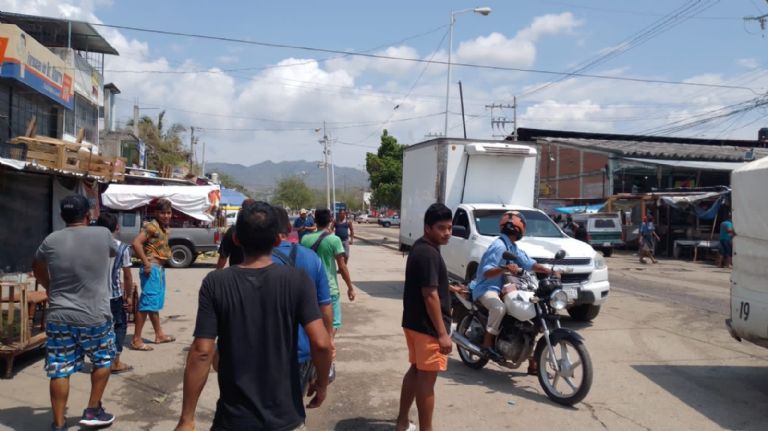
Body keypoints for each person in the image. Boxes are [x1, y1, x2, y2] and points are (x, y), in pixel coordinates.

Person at [174, 202, 332, 431]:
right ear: (278, 240)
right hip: (286, 420)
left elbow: (201, 352)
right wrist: (322, 383)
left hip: (232, 420)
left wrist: (186, 419)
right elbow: (321, 344)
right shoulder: (298, 280)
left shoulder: (216, 283)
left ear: (236, 239)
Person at [32, 195, 118, 430]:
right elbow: (113, 253)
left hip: (59, 316)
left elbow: (37, 266)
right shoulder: (102, 234)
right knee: (103, 359)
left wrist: (50, 286)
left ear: (62, 216)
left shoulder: (51, 240)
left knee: (59, 368)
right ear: (88, 215)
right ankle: (92, 410)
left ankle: (58, 424)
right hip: (95, 316)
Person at [469, 211, 556, 371]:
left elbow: (529, 263)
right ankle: (487, 345)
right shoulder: (499, 246)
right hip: (486, 287)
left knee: (531, 311)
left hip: (502, 287)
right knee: (499, 308)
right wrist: (504, 268)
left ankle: (532, 360)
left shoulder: (512, 247)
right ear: (519, 229)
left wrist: (549, 270)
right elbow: (487, 272)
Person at [395, 203, 454, 431]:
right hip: (427, 328)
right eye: (441, 228)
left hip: (413, 323)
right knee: (427, 383)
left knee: (416, 370)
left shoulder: (421, 247)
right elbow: (429, 295)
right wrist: (442, 334)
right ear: (427, 227)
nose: (447, 232)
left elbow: (431, 287)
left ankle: (402, 422)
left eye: (449, 228)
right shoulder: (428, 253)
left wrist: (449, 289)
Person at [272, 206, 335, 394]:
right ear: (289, 227)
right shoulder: (311, 259)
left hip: (263, 353)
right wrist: (328, 340)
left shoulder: (253, 262)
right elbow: (325, 307)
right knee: (293, 410)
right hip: (302, 351)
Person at [301, 209, 355, 348]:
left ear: (315, 221)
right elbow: (342, 267)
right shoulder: (334, 240)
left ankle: (317, 350)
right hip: (329, 289)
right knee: (333, 323)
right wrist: (350, 287)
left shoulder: (305, 239)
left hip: (309, 289)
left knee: (312, 322)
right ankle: (328, 347)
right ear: (330, 220)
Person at [131, 198, 175, 351]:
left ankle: (159, 334)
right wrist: (146, 262)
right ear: (156, 213)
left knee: (152, 303)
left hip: (158, 270)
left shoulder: (162, 227)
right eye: (163, 213)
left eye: (168, 213)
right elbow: (136, 243)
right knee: (146, 304)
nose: (166, 216)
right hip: (152, 269)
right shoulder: (151, 227)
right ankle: (136, 339)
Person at [96, 212, 134, 374]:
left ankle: (100, 359)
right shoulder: (122, 248)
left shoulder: (92, 246)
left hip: (95, 295)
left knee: (100, 327)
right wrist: (129, 295)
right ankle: (115, 361)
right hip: (114, 295)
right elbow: (127, 275)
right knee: (119, 326)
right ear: (117, 228)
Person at [216, 199, 256, 269]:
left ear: (241, 210)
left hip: (236, 274)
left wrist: (217, 273)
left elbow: (223, 255)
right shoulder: (262, 229)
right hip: (258, 273)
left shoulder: (233, 231)